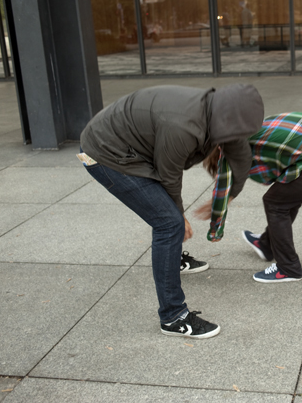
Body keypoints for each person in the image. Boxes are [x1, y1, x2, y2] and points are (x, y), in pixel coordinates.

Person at [78, 84, 264, 338]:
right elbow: (169, 176)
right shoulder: (183, 126)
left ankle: (172, 259)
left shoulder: (220, 111)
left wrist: (229, 196)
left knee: (171, 220)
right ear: (226, 117)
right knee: (169, 224)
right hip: (106, 153)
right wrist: (180, 216)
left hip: (134, 146)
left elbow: (241, 156)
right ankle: (173, 317)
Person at [196, 112, 302, 283]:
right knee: (286, 197)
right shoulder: (253, 123)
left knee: (275, 203)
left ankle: (288, 268)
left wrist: (215, 230)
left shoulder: (230, 147)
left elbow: (224, 187)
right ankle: (266, 245)